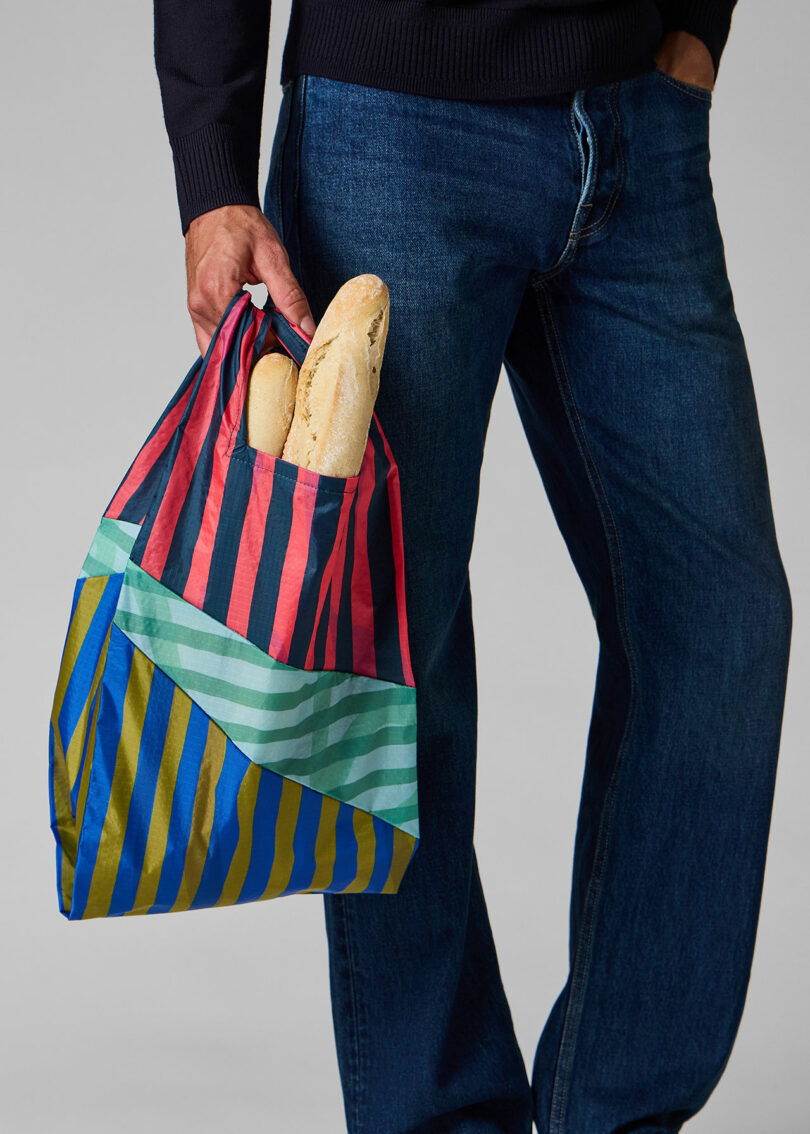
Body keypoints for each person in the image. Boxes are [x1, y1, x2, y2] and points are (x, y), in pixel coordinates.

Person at [151, 3, 793, 1131]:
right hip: (393, 127)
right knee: (394, 669)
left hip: (637, 127)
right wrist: (213, 171)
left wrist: (696, 26)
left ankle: (619, 1114)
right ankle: (438, 1115)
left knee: (722, 623)